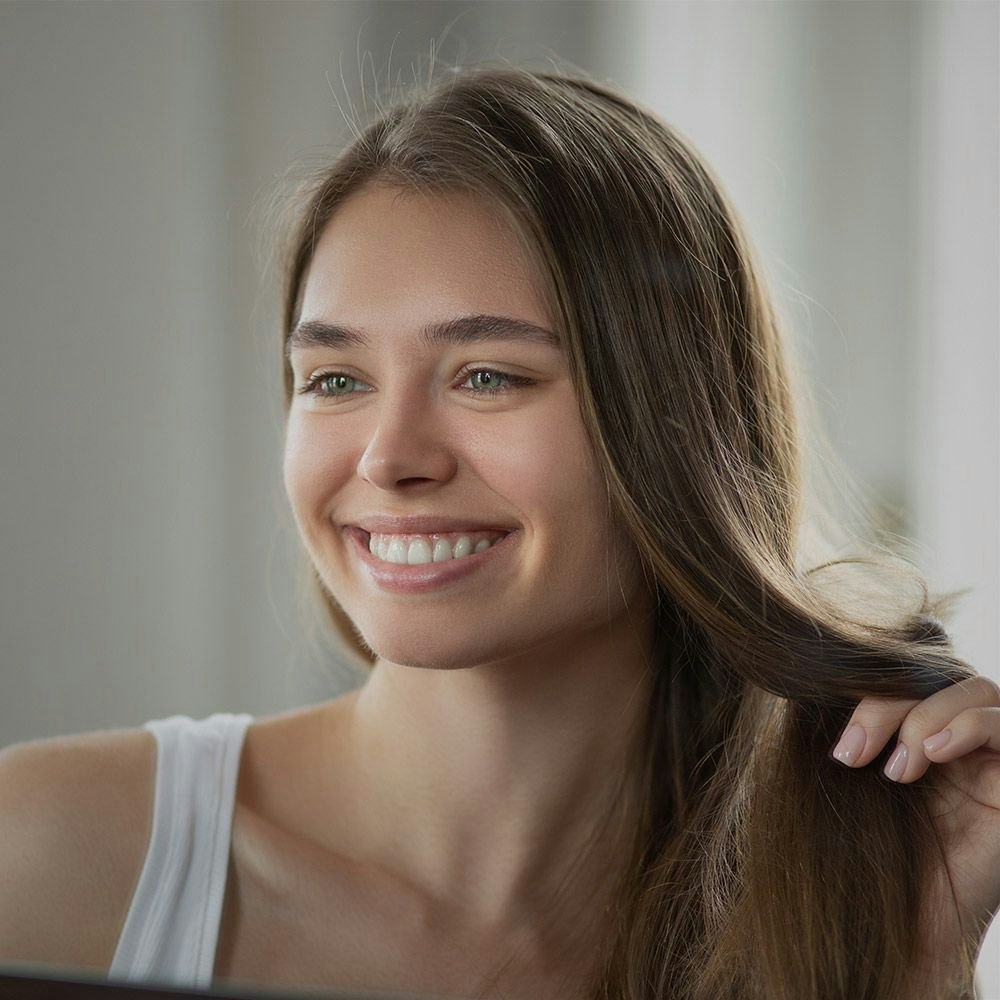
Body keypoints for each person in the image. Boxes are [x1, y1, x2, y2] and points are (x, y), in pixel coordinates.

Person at [0, 63, 997, 1000]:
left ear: (684, 423)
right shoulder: (45, 852)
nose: (389, 456)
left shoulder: (819, 908)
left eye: (487, 376)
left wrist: (915, 958)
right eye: (336, 379)